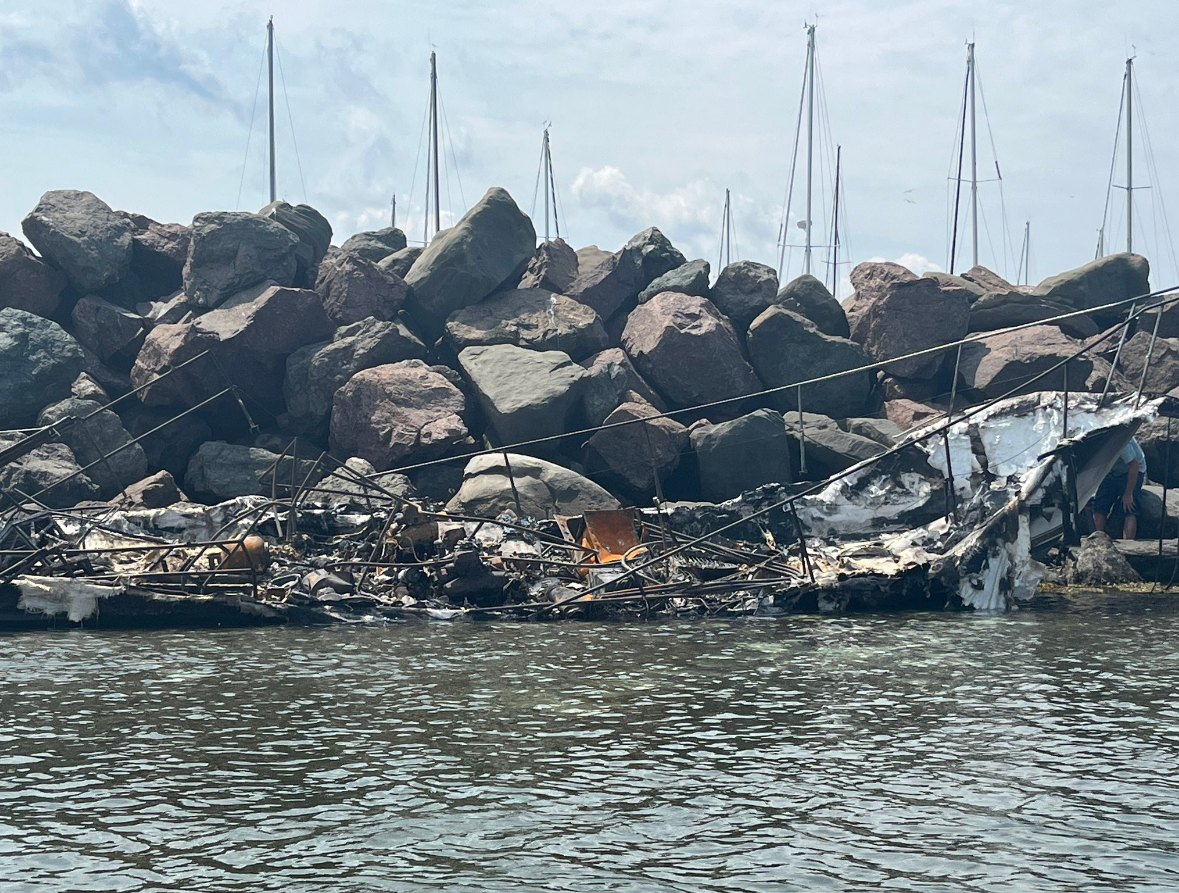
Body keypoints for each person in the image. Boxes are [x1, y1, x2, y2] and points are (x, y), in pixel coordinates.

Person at [1093, 436, 1147, 540]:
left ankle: (1128, 544)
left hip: (1133, 470)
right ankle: (1100, 540)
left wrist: (1128, 493)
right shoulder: (1096, 441)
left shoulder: (1120, 440)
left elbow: (1134, 465)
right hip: (1112, 471)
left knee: (1129, 507)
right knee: (1099, 505)